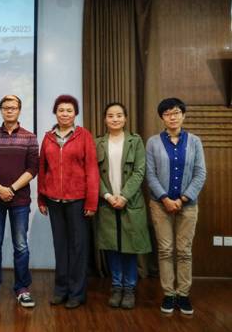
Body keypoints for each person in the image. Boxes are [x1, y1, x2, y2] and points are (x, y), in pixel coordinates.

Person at [0, 95, 39, 308]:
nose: (9, 110)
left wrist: (11, 189)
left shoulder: (30, 137)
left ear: (19, 110)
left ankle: (22, 289)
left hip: (20, 200)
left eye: (13, 107)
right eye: (6, 107)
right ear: (1, 110)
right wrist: (0, 189)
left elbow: (33, 169)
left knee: (21, 246)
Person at [38, 94, 99, 309]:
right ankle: (61, 290)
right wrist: (41, 198)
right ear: (55, 112)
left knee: (78, 248)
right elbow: (42, 169)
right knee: (60, 247)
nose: (65, 114)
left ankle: (77, 293)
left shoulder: (84, 136)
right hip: (54, 200)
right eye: (61, 110)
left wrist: (91, 202)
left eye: (69, 110)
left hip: (78, 201)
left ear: (75, 114)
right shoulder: (48, 138)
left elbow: (92, 170)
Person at [146, 97, 206, 315]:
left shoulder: (195, 141)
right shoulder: (153, 142)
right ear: (162, 118)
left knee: (184, 251)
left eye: (176, 113)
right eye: (167, 114)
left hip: (188, 206)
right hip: (160, 205)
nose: (172, 117)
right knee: (165, 250)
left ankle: (183, 294)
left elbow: (200, 173)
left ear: (183, 115)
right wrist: (165, 198)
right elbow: (150, 174)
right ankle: (169, 294)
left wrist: (182, 199)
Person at [95, 102, 151, 309]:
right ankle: (116, 287)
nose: (115, 119)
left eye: (119, 115)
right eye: (110, 115)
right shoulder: (98, 142)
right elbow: (93, 173)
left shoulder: (135, 141)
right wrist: (108, 196)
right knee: (112, 247)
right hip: (107, 203)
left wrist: (124, 196)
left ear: (125, 118)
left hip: (130, 202)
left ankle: (129, 289)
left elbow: (139, 171)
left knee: (130, 247)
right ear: (105, 119)